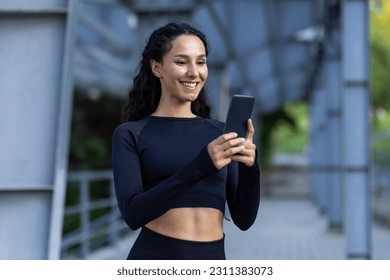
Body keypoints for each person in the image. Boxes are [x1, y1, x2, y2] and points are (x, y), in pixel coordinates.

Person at [112, 22, 260, 260]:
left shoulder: (220, 133)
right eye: (182, 62)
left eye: (200, 62)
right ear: (157, 67)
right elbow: (133, 214)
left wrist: (251, 167)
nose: (194, 72)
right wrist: (202, 166)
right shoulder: (130, 133)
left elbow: (244, 219)